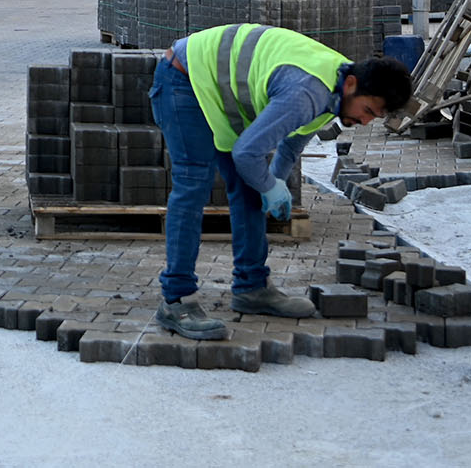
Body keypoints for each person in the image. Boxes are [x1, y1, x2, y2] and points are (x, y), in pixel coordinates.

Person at [150, 23, 412, 340]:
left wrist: (271, 182)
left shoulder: (335, 88)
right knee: (194, 183)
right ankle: (177, 299)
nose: (365, 121)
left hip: (218, 90)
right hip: (184, 79)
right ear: (353, 84)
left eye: (374, 117)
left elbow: (292, 143)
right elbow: (248, 153)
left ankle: (251, 288)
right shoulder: (308, 92)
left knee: (250, 187)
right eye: (367, 110)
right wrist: (271, 187)